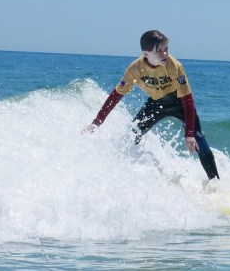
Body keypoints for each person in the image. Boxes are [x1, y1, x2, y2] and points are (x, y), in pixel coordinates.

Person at [85, 30, 219, 180]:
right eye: (159, 51)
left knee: (197, 138)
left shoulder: (174, 66)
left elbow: (188, 99)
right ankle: (121, 174)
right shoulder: (134, 69)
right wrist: (97, 122)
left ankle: (215, 183)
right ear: (146, 54)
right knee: (132, 134)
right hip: (156, 104)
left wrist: (189, 134)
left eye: (166, 49)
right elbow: (116, 96)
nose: (165, 54)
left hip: (179, 102)